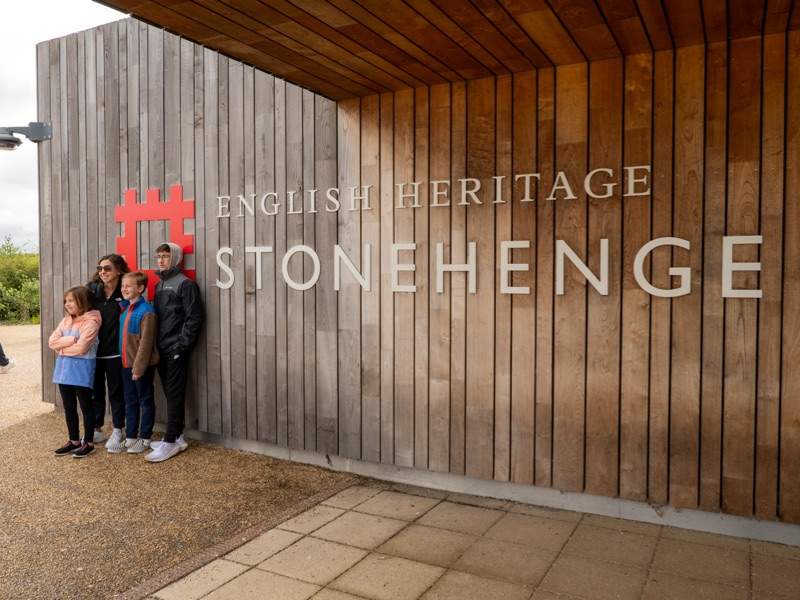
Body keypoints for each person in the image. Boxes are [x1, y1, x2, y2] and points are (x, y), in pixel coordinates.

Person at [147, 242, 202, 463]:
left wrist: (181, 346)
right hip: (162, 348)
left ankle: (169, 442)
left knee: (175, 394)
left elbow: (194, 318)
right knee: (170, 394)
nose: (161, 260)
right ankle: (177, 436)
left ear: (176, 258)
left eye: (166, 256)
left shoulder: (185, 284)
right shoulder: (161, 284)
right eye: (159, 256)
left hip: (175, 349)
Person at [49, 286, 102, 458]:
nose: (67, 304)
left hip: (81, 371)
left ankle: (89, 442)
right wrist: (71, 340)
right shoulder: (66, 321)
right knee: (69, 407)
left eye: (71, 300)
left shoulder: (92, 322)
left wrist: (62, 348)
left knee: (86, 407)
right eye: (66, 301)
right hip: (64, 370)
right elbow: (52, 342)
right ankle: (74, 440)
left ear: (83, 301)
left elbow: (82, 348)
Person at [87, 253, 129, 449]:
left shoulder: (125, 292)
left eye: (107, 268)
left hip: (116, 353)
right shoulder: (92, 291)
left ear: (119, 270)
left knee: (116, 393)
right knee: (95, 391)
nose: (102, 272)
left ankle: (118, 429)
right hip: (94, 352)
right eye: (100, 268)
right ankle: (96, 429)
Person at [117, 271, 159, 455]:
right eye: (123, 286)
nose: (124, 289)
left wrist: (139, 368)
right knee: (130, 401)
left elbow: (146, 344)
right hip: (126, 365)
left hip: (140, 367)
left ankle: (145, 437)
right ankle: (131, 436)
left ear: (140, 288)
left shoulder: (147, 311)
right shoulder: (126, 309)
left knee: (145, 401)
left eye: (128, 286)